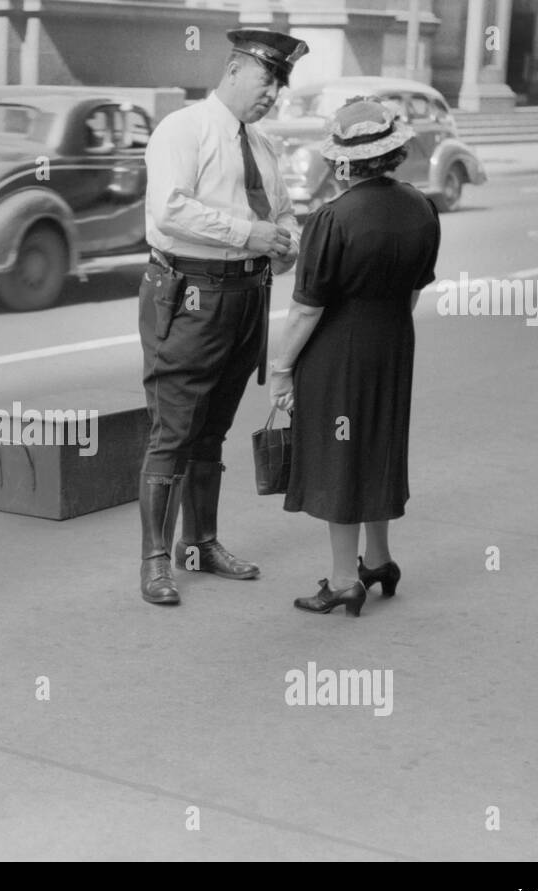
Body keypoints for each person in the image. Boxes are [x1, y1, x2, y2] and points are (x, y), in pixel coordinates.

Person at [136, 28, 307, 606]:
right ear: (234, 72)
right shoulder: (182, 130)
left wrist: (286, 245)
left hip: (245, 298)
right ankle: (156, 560)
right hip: (190, 293)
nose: (272, 95)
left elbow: (283, 213)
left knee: (213, 428)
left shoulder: (262, 147)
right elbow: (170, 208)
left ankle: (200, 544)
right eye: (266, 81)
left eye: (280, 87)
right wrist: (249, 233)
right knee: (173, 430)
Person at [269, 98, 441, 616]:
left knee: (338, 458)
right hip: (393, 343)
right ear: (393, 152)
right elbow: (413, 291)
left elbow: (306, 309)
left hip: (338, 354)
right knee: (377, 446)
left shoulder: (332, 218)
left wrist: (281, 371)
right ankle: (380, 560)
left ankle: (346, 579)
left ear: (344, 161)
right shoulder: (421, 207)